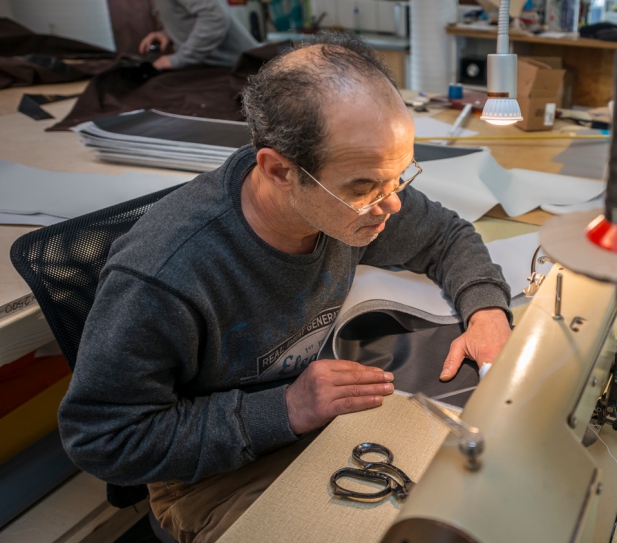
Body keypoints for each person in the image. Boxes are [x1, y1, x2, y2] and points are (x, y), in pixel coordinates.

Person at [58, 33, 512, 542]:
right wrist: (284, 409)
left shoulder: (353, 200)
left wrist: (486, 310)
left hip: (323, 421)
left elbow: (444, 235)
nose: (392, 206)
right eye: (364, 188)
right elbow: (103, 439)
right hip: (214, 477)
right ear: (278, 170)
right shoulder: (166, 275)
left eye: (399, 177)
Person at [139, 0, 260, 70]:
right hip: (216, 68)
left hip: (238, 67)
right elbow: (187, 14)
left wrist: (178, 60)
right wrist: (169, 33)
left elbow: (215, 17)